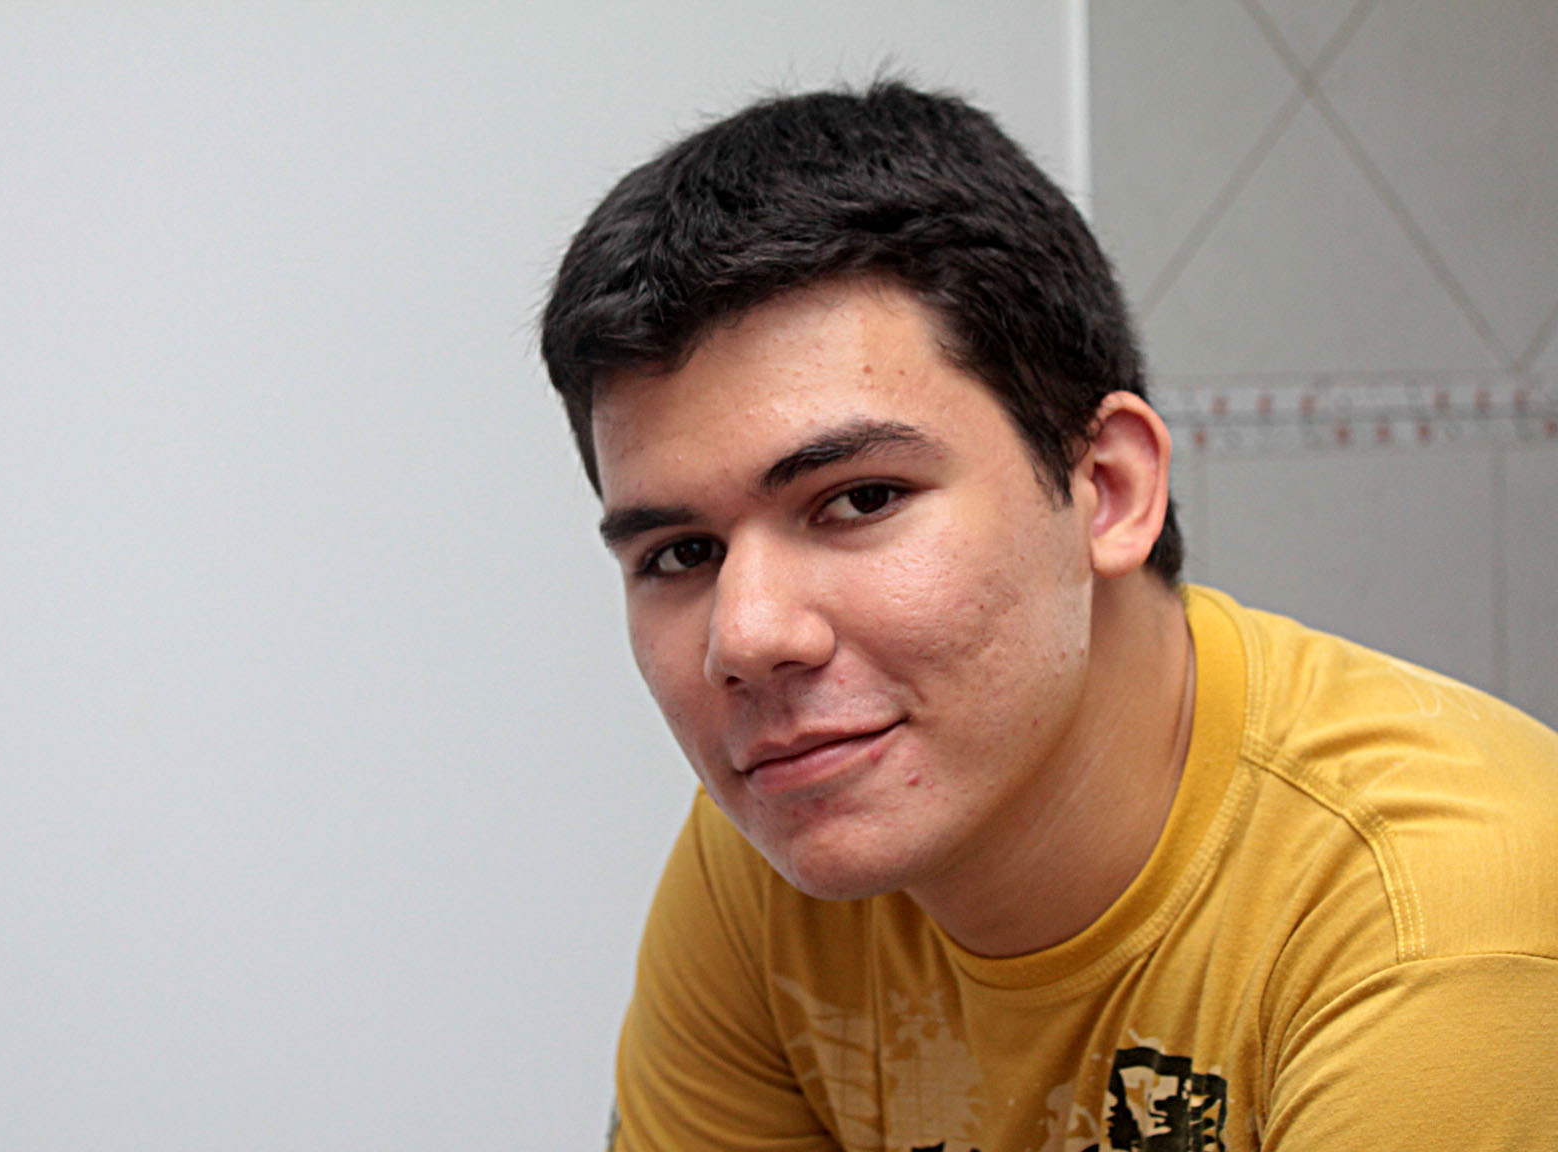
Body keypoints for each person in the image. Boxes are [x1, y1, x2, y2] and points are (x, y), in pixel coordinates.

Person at [539, 81, 1558, 1152]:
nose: (746, 638)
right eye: (680, 554)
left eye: (861, 499)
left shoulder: (1436, 926)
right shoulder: (775, 857)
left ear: (1108, 490)